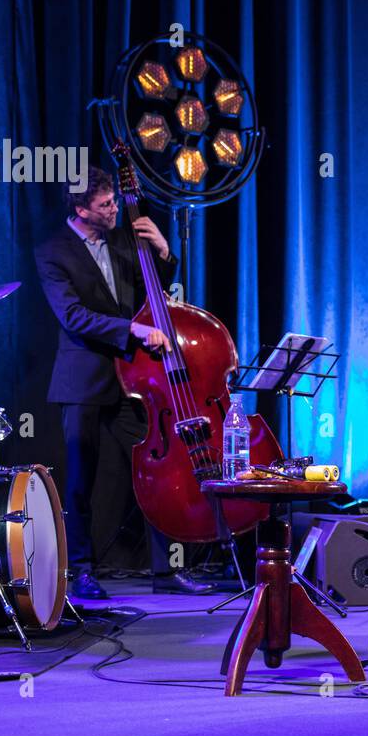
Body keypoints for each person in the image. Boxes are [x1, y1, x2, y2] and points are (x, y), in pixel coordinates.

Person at [35, 165, 214, 600]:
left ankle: (166, 570)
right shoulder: (52, 251)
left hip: (134, 380)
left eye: (114, 199)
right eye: (104, 205)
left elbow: (152, 294)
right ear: (80, 210)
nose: (115, 208)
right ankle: (80, 572)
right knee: (81, 480)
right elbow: (73, 317)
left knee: (156, 471)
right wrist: (131, 331)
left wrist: (165, 252)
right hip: (84, 381)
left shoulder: (123, 239)